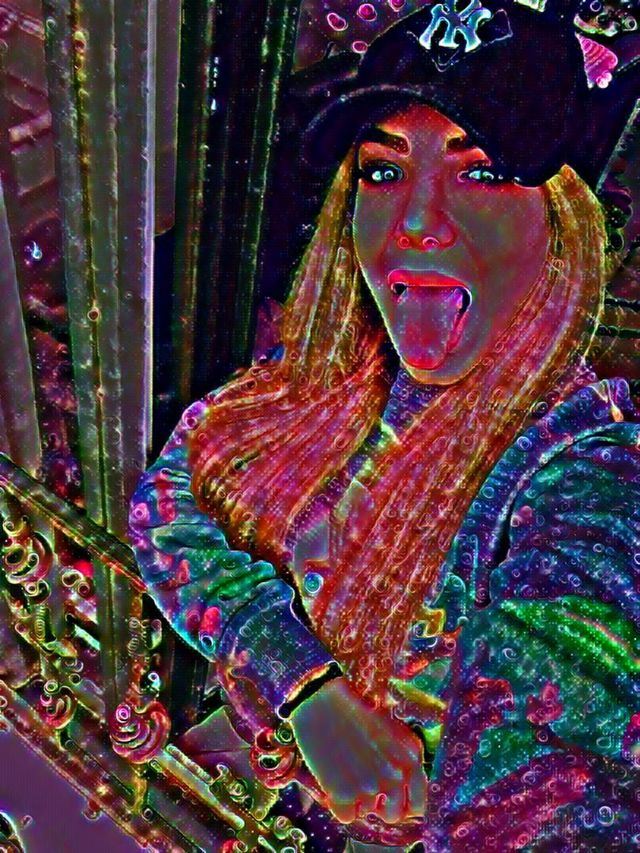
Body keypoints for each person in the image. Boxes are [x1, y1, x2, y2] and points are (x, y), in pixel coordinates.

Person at [129, 3, 640, 850]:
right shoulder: (332, 370)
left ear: (564, 225)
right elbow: (165, 505)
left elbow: (551, 767)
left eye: (482, 173)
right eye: (383, 170)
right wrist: (302, 682)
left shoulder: (583, 472)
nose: (416, 221)